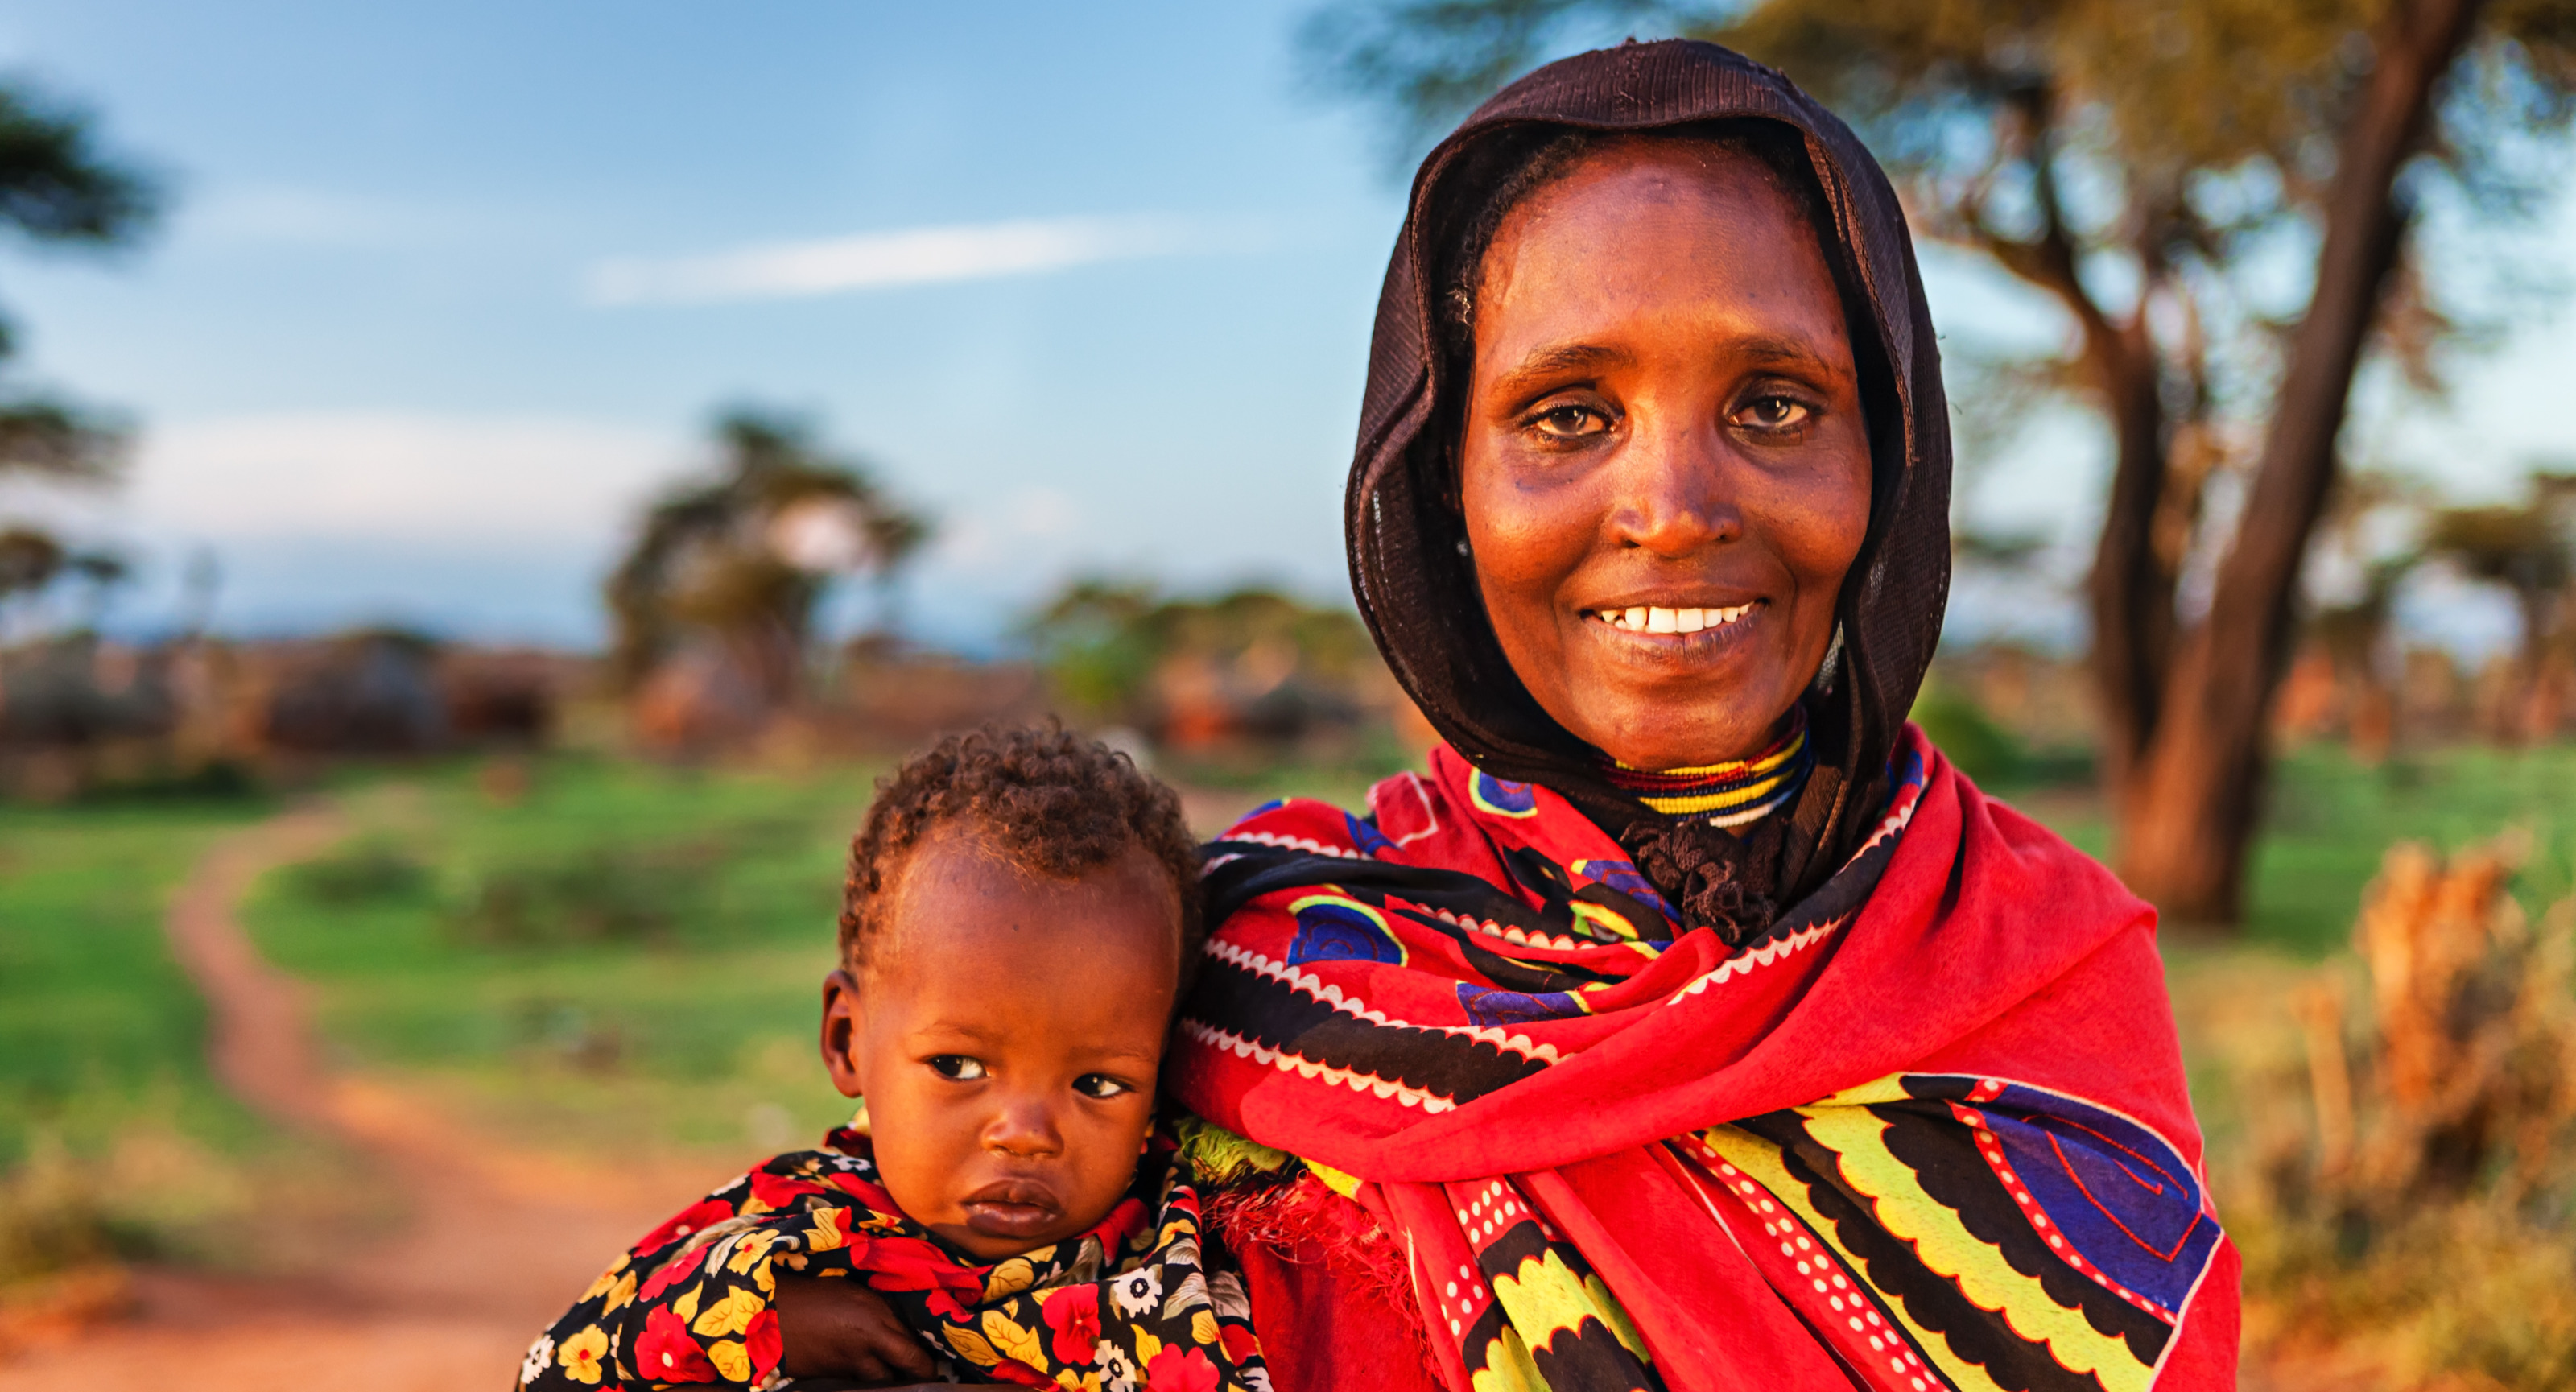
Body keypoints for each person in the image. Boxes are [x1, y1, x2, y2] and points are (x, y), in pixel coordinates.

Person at [1162, 39, 2240, 1392]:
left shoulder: (2048, 961)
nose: (1673, 506)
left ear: (1889, 454)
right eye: (1566, 415)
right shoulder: (1230, 960)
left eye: (1775, 404)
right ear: (1445, 478)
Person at [518, 726, 1269, 1391]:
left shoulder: (1172, 1263)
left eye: (1100, 1082)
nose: (1026, 1131)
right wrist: (770, 1322)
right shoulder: (787, 1237)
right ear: (848, 1040)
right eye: (959, 1066)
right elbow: (560, 1366)